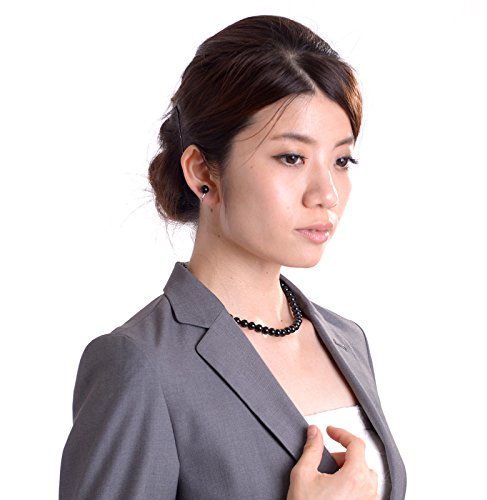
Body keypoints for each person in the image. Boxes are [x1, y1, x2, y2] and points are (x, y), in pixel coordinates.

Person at [59, 15, 406, 500]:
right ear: (203, 172)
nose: (326, 193)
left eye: (341, 160)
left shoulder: (347, 340)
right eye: (291, 157)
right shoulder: (140, 365)